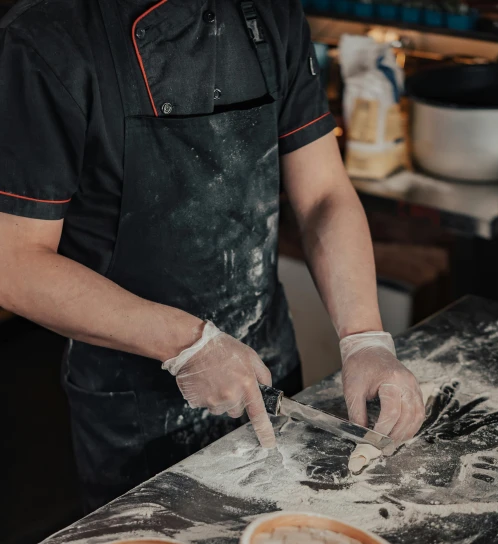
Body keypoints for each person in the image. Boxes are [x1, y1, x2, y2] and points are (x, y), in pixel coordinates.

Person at [0, 0, 425, 512]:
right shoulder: (46, 38)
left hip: (270, 371)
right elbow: (13, 262)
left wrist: (365, 339)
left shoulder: (272, 13)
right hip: (134, 405)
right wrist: (188, 345)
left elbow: (323, 197)